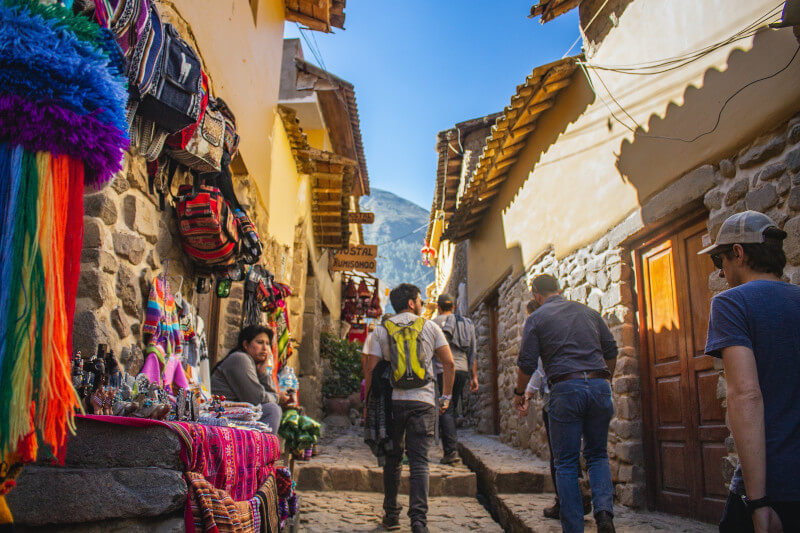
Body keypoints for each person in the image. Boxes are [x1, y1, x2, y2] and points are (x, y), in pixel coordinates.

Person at [699, 211, 799, 533]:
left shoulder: (731, 303)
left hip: (774, 482)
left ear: (738, 253)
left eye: (720, 260)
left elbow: (745, 394)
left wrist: (757, 502)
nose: (721, 271)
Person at [514, 274, 617, 533]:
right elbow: (611, 352)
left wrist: (519, 392)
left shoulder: (536, 318)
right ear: (559, 289)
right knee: (598, 454)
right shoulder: (589, 312)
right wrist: (606, 381)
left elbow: (527, 364)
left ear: (536, 294)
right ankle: (604, 514)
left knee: (566, 463)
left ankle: (574, 527)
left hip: (565, 388)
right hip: (598, 386)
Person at [363, 284, 455, 533]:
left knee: (392, 459)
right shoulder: (430, 326)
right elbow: (449, 363)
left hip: (392, 403)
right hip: (423, 402)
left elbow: (370, 371)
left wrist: (367, 407)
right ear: (413, 303)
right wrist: (445, 397)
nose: (423, 303)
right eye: (420, 300)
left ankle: (391, 516)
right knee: (420, 462)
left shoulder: (381, 331)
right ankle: (418, 521)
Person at [210, 325, 289, 433]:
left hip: (236, 413)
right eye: (260, 342)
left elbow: (269, 395)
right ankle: (262, 449)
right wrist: (278, 398)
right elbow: (257, 399)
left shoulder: (251, 363)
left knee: (273, 407)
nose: (265, 348)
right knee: (272, 410)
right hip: (220, 413)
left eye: (267, 344)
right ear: (246, 345)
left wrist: (263, 373)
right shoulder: (240, 359)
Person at [432, 293, 478, 465]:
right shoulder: (467, 323)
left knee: (446, 408)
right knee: (451, 407)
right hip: (462, 371)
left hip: (443, 371)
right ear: (453, 307)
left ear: (438, 307)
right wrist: (474, 376)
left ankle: (451, 452)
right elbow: (472, 351)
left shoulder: (434, 324)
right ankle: (451, 449)